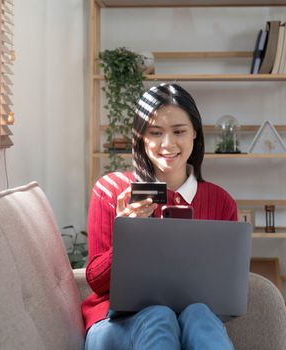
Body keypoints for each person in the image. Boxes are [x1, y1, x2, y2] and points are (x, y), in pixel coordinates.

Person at [82, 83, 238, 350]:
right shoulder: (111, 191)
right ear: (142, 137)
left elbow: (226, 291)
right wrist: (128, 233)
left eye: (179, 131)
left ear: (194, 136)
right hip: (116, 323)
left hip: (192, 319)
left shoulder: (220, 202)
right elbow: (96, 282)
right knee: (159, 316)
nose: (168, 144)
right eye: (156, 133)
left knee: (199, 315)